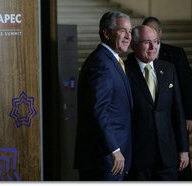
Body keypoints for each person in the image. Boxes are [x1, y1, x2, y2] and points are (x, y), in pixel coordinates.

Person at [74, 11, 133, 181]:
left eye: (130, 31)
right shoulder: (102, 64)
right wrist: (114, 149)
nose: (128, 36)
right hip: (106, 158)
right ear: (106, 33)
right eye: (123, 31)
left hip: (113, 157)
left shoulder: (111, 60)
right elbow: (98, 110)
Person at [124, 25, 189, 181]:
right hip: (138, 157)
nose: (153, 47)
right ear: (133, 44)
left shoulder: (168, 69)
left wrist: (183, 149)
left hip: (167, 155)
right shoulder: (124, 71)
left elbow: (177, 111)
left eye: (156, 41)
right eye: (147, 42)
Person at [142, 16, 192, 181]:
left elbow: (188, 85)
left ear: (160, 33)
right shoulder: (139, 55)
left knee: (182, 158)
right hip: (156, 119)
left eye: (153, 31)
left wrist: (190, 115)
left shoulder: (176, 53)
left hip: (176, 116)